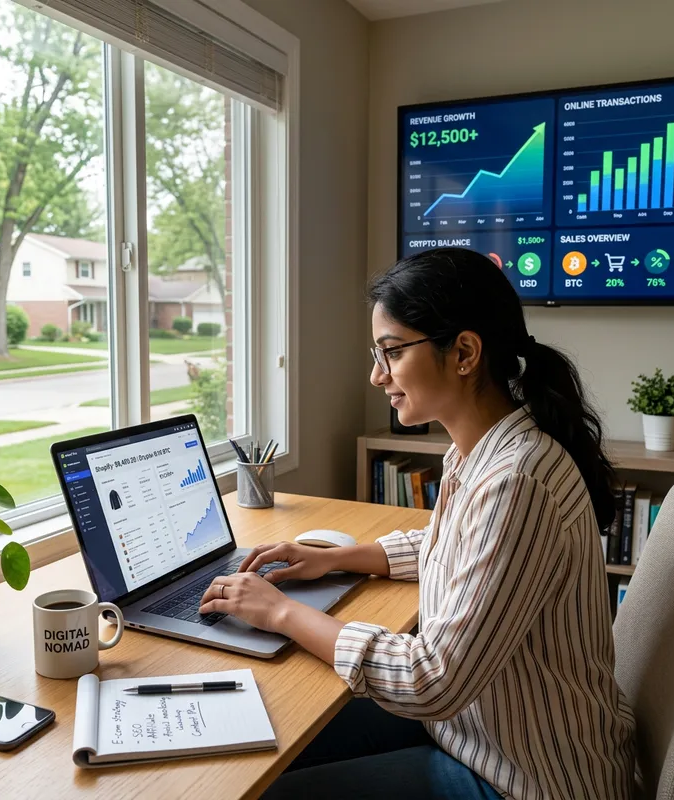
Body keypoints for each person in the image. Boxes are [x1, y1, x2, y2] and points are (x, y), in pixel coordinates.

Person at [199, 248, 636, 800]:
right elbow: (452, 545)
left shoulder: (517, 480)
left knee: (271, 787)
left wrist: (280, 611)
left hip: (528, 776)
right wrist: (339, 557)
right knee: (279, 734)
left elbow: (430, 681)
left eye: (391, 352)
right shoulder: (479, 452)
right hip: (476, 732)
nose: (377, 374)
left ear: (465, 353)